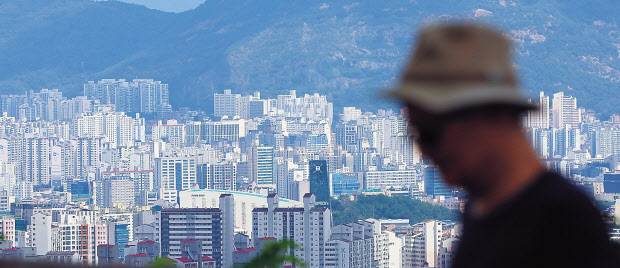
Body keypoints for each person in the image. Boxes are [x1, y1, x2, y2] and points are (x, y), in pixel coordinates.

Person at [386, 23, 620, 267]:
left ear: (489, 115)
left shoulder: (562, 221)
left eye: (429, 134)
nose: (423, 151)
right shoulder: (482, 208)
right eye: (414, 135)